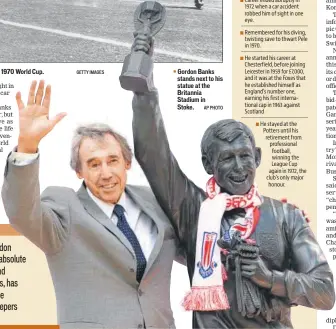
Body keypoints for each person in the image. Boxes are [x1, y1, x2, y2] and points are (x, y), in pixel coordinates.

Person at [130, 38, 335, 328]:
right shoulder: (194, 210)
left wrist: (269, 278)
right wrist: (144, 88)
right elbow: (153, 156)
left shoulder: (286, 217)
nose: (239, 167)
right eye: (226, 158)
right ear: (208, 165)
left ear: (258, 157)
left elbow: (325, 293)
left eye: (244, 156)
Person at [1, 80, 181, 329]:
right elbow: (22, 214)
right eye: (94, 164)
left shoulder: (156, 201)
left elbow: (198, 249)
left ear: (127, 163)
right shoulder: (65, 207)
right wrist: (27, 146)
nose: (106, 173)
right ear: (79, 171)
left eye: (113, 160)